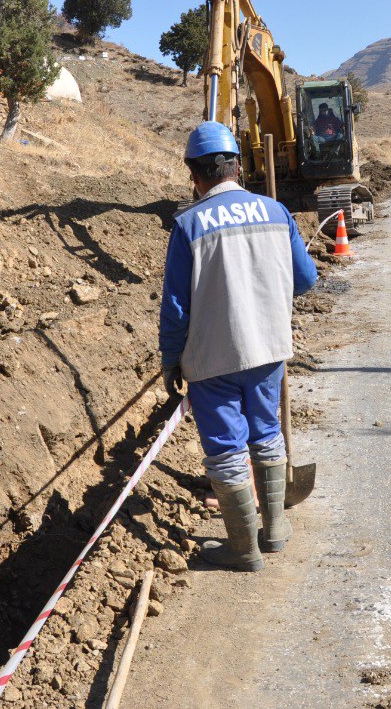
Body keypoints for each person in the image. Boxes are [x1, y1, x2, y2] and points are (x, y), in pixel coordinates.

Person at [160, 121, 318, 572]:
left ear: (195, 174)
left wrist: (171, 361)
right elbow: (306, 280)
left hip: (212, 358)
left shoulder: (188, 224)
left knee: (227, 448)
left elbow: (175, 307)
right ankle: (275, 531)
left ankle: (244, 550)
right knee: (266, 434)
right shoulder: (275, 211)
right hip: (268, 349)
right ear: (236, 167)